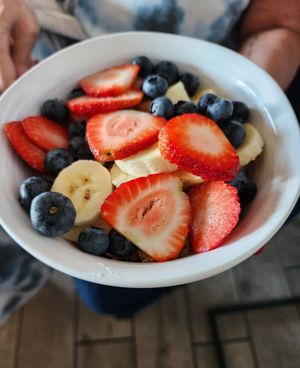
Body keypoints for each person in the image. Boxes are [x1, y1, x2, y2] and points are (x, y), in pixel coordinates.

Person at [0, 0, 299, 323]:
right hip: (50, 65)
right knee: (104, 296)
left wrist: (250, 89)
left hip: (214, 64)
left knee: (107, 296)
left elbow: (278, 27)